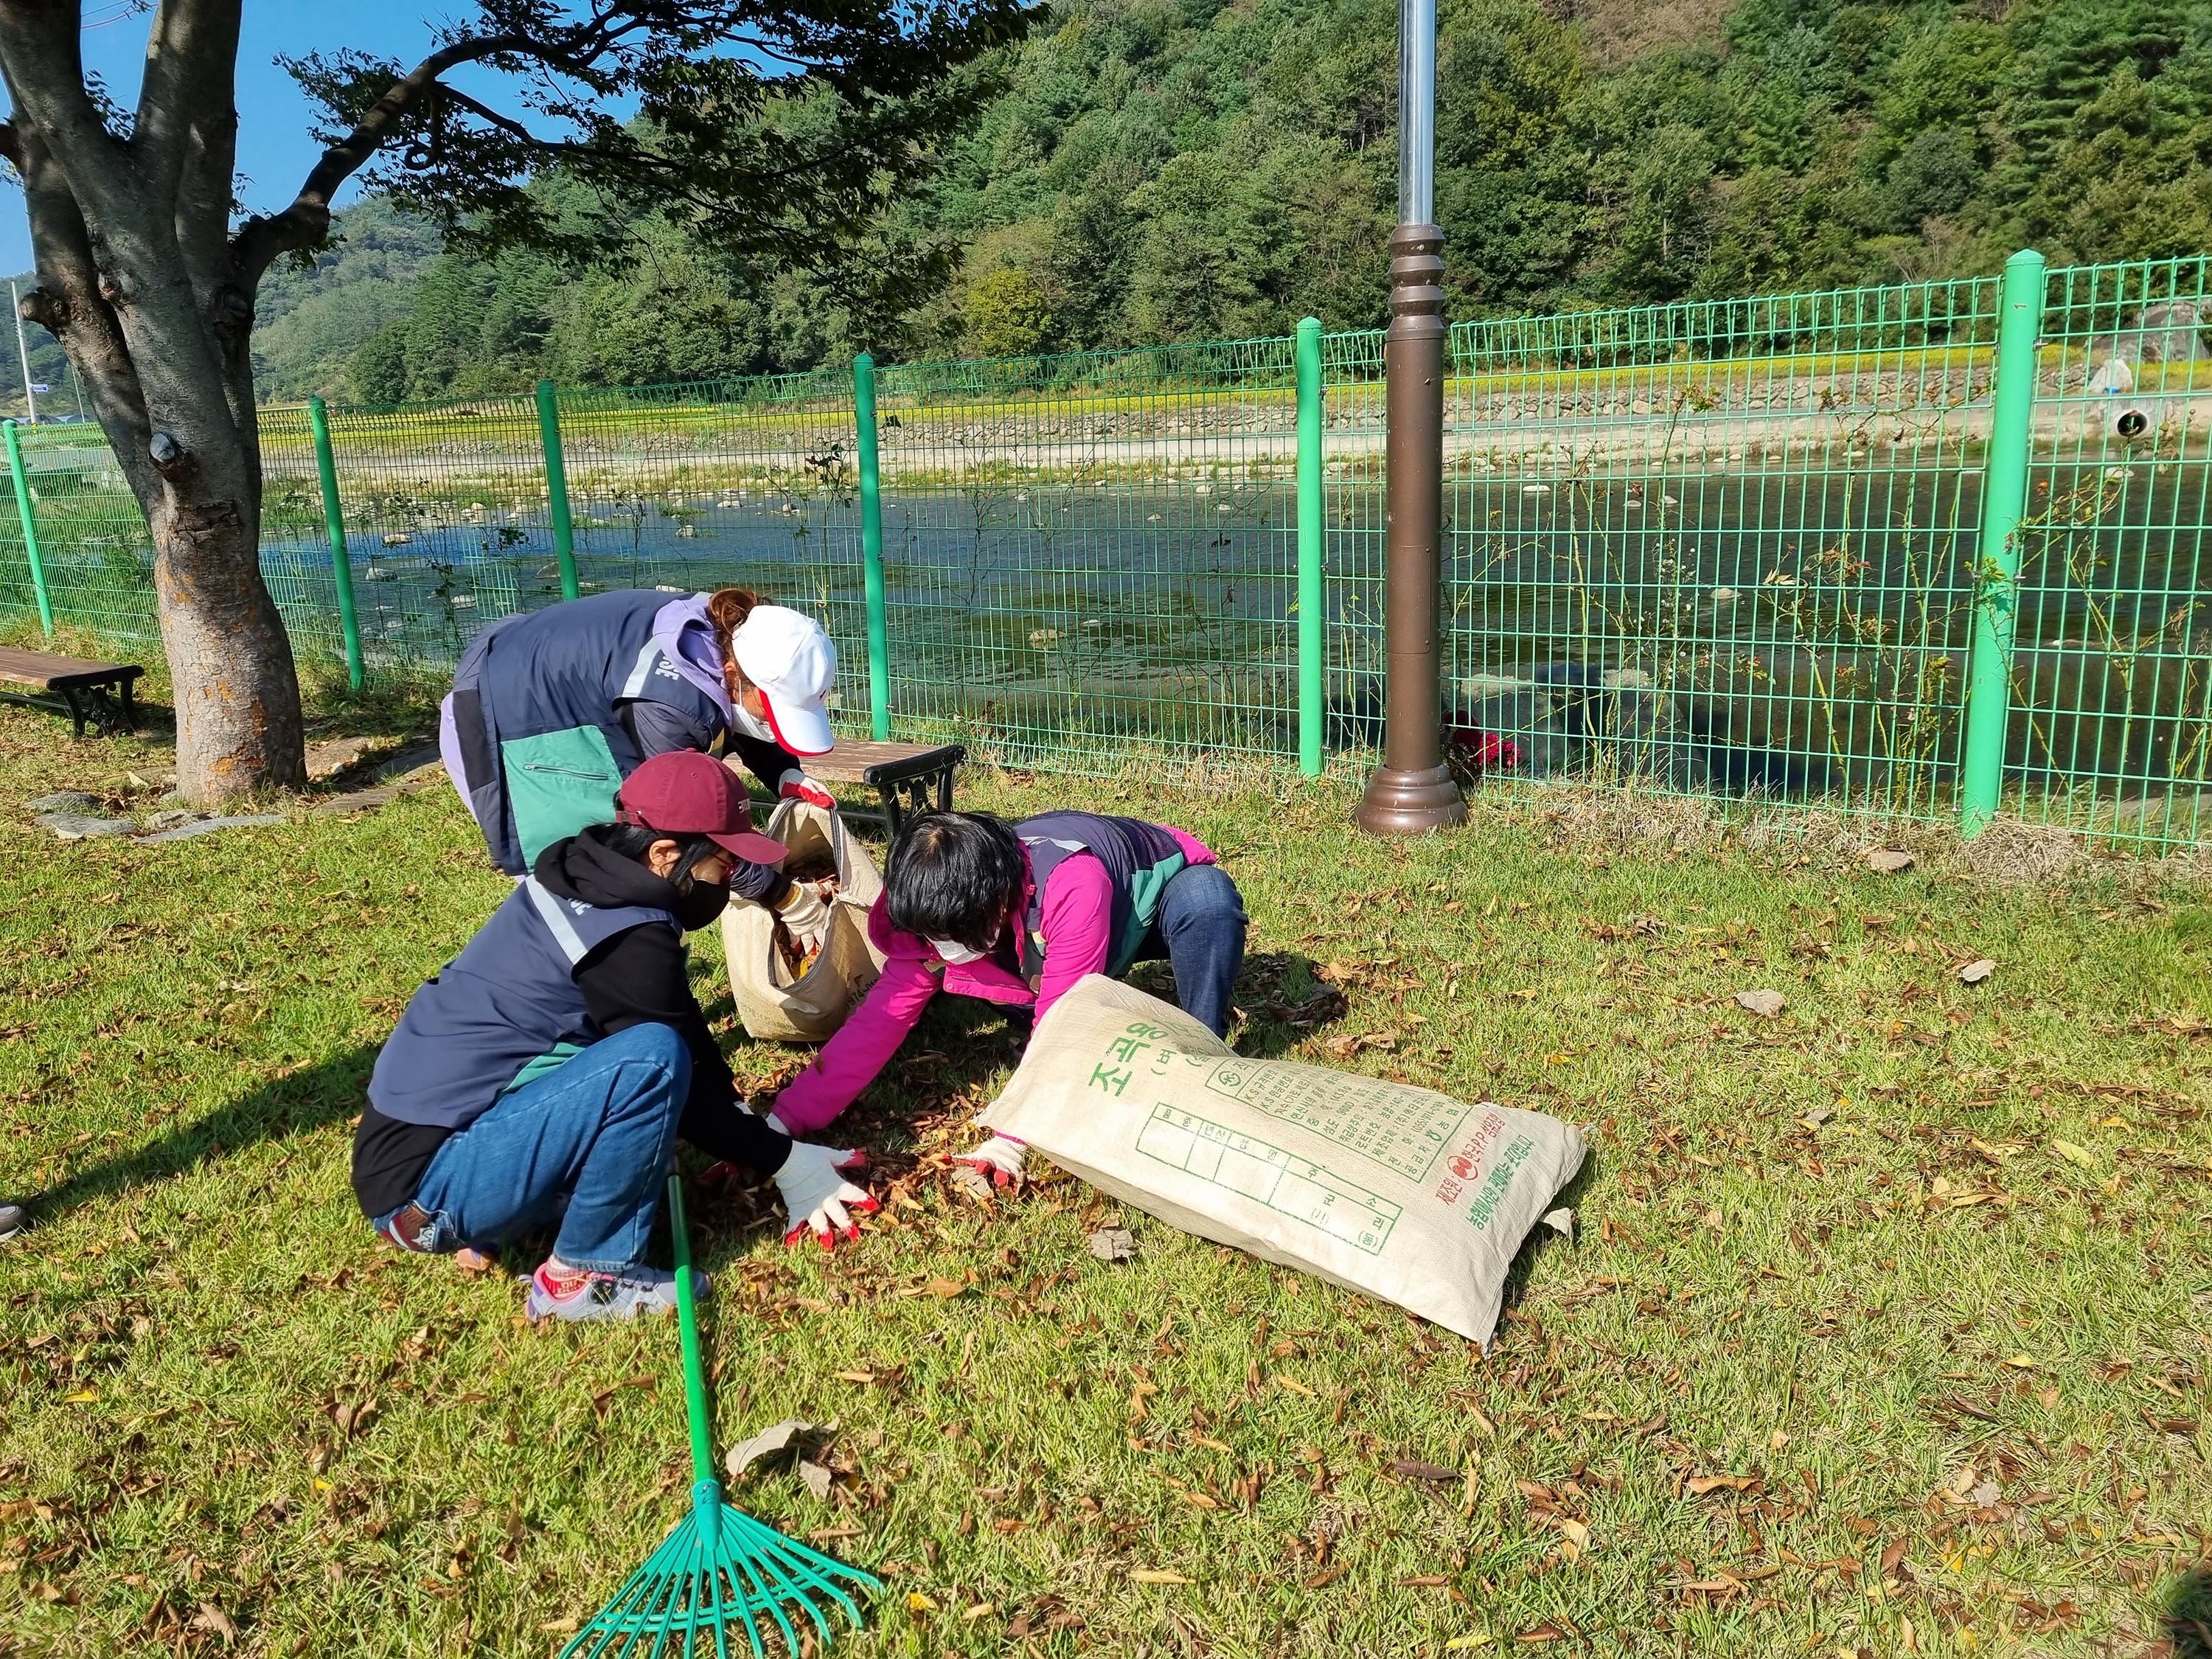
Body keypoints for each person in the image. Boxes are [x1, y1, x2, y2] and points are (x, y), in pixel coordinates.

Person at [354, 750, 877, 1323]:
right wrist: (785, 1161)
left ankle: (513, 1207)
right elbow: (671, 1072)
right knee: (649, 1061)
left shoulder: (591, 879)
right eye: (723, 862)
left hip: (425, 1154)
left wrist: (741, 1116)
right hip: (426, 1194)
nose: (730, 877)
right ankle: (582, 1276)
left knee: (653, 1057)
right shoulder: (626, 938)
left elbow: (677, 1015)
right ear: (664, 855)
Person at [762, 810, 1248, 1192]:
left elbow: (1063, 1023)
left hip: (1142, 911)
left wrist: (1013, 1135)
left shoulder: (1074, 883)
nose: (940, 946)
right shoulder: (928, 902)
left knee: (1207, 899)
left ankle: (1202, 1048)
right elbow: (878, 1021)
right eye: (932, 935)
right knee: (1020, 988)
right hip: (1037, 937)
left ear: (995, 899)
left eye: (951, 933)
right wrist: (785, 1119)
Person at [439, 585, 842, 953]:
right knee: (579, 873)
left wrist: (784, 774)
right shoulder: (670, 704)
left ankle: (631, 961)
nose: (774, 724)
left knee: (631, 862)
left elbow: (737, 711)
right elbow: (687, 819)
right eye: (773, 712)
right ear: (736, 675)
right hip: (507, 716)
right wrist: (784, 897)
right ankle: (579, 982)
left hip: (558, 683)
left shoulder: (729, 635)